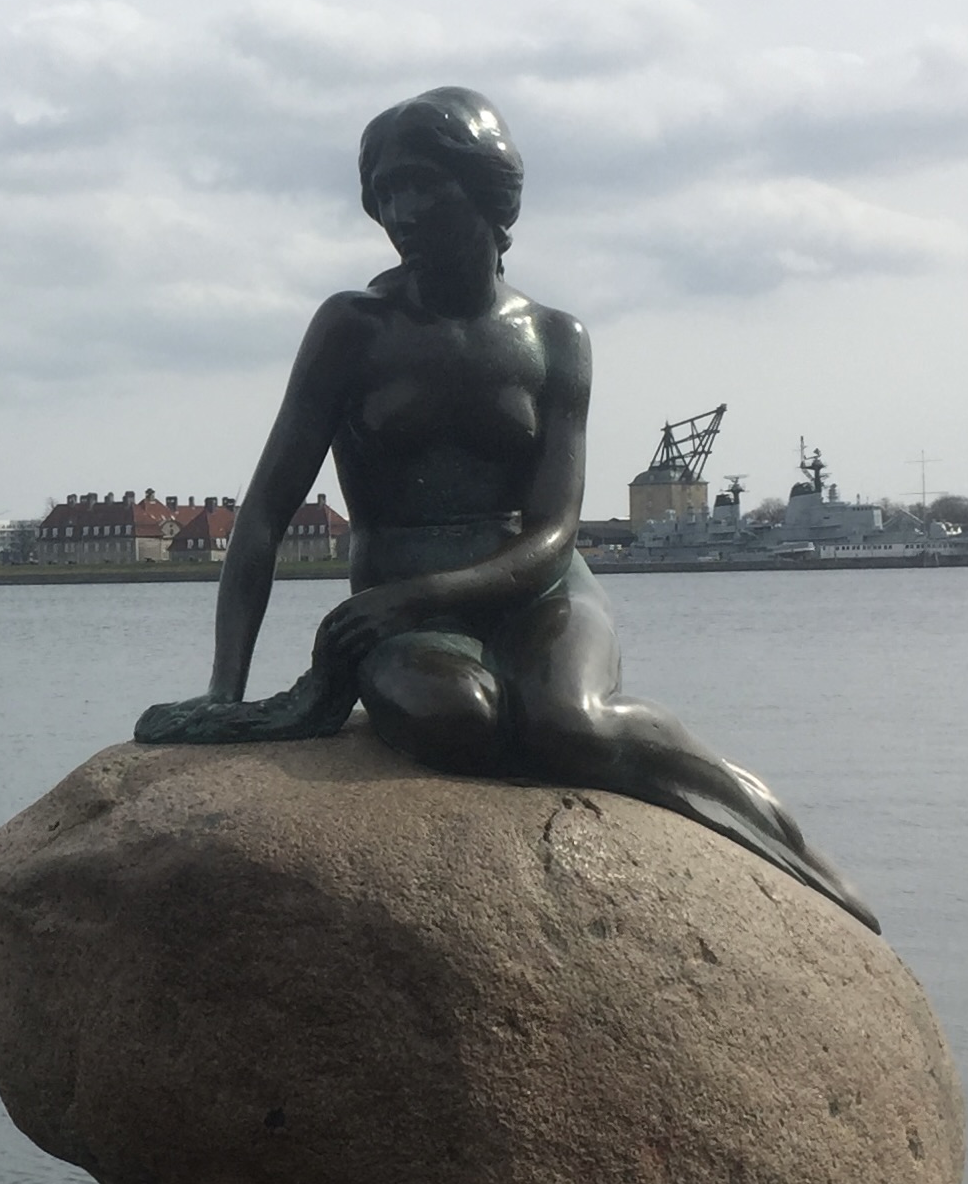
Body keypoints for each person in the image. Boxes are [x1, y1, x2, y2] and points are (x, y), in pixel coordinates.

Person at [136, 86, 878, 929]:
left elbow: (556, 529)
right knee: (459, 721)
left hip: (541, 590)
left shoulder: (555, 338)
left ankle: (787, 843)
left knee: (572, 725)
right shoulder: (353, 327)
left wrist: (424, 596)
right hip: (400, 614)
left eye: (420, 184)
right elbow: (264, 512)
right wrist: (224, 691)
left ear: (487, 191)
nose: (399, 211)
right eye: (383, 192)